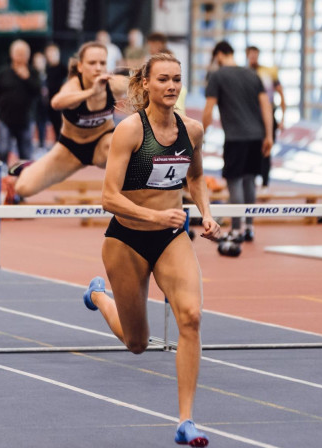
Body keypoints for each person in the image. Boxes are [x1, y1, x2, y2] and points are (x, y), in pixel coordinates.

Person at [84, 52, 220, 447]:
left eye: (177, 79)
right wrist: (154, 216)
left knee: (191, 317)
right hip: (126, 238)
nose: (172, 86)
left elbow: (195, 178)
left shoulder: (191, 130)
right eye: (163, 79)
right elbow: (108, 197)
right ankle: (97, 294)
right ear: (146, 84)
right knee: (137, 343)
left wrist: (206, 213)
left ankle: (186, 421)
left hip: (171, 237)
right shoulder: (129, 130)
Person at [8, 41, 129, 199]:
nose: (98, 68)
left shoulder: (113, 85)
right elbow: (56, 102)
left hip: (102, 145)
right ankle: (32, 167)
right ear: (80, 67)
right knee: (23, 188)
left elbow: (141, 84)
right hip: (70, 150)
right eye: (92, 63)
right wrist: (91, 92)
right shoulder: (73, 86)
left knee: (128, 152)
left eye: (102, 63)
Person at [202, 41, 273, 242]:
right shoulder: (252, 74)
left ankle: (235, 230)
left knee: (234, 183)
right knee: (250, 181)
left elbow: (208, 109)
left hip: (235, 137)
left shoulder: (218, 75)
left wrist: (202, 134)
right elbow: (266, 105)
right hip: (256, 135)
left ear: (219, 55)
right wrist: (268, 135)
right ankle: (249, 227)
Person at [0, 40, 41, 166]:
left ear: (28, 55)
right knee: (3, 150)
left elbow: (38, 93)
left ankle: (24, 179)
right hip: (5, 119)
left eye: (23, 53)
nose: (20, 56)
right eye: (18, 53)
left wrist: (27, 78)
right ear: (12, 54)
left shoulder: (33, 72)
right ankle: (2, 176)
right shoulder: (3, 73)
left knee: (25, 153)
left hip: (25, 120)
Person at [246, 46, 286, 192]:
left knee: (266, 149)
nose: (253, 58)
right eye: (251, 55)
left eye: (256, 55)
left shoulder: (268, 72)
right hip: (251, 117)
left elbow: (281, 94)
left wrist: (282, 118)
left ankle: (265, 183)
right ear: (247, 56)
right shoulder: (244, 73)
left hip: (268, 116)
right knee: (252, 149)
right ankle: (252, 181)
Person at [44, 43, 67, 145]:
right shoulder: (47, 69)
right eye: (49, 54)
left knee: (62, 125)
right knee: (54, 125)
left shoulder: (63, 69)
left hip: (62, 103)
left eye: (52, 53)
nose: (50, 56)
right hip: (50, 102)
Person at [32, 51, 50, 153]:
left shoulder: (48, 75)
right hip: (35, 106)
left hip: (46, 106)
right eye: (37, 61)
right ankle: (38, 145)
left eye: (41, 61)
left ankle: (42, 144)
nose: (39, 63)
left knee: (43, 124)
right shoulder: (32, 76)